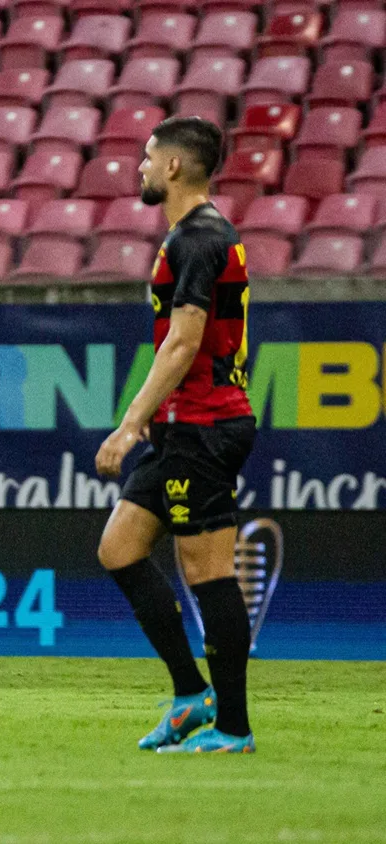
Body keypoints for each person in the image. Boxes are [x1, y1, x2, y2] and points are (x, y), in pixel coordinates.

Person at [96, 117, 257, 753]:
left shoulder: (199, 238)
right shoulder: (193, 237)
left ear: (172, 168)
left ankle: (235, 729)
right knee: (119, 550)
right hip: (181, 426)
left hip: (205, 425)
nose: (139, 167)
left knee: (208, 572)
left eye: (146, 157)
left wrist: (130, 421)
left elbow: (185, 341)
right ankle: (192, 697)